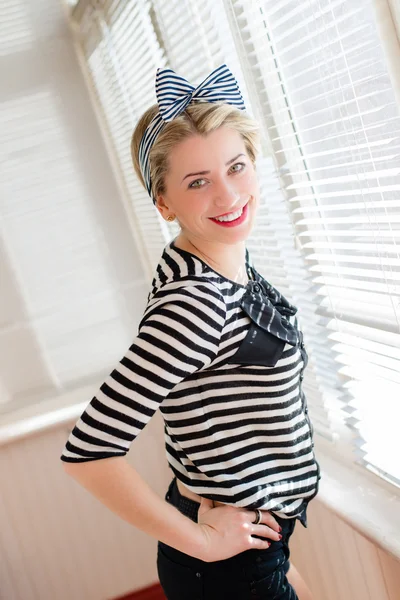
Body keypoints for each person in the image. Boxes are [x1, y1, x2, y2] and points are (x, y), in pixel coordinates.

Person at [60, 64, 321, 600]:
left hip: (256, 542)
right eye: (197, 182)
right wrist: (204, 544)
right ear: (164, 203)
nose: (228, 197)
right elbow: (90, 452)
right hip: (228, 561)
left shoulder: (224, 264)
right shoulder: (196, 302)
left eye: (237, 167)